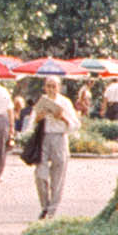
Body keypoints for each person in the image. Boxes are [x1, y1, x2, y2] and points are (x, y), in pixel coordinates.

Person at [27, 75, 81, 220]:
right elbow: (31, 123)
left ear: (59, 87)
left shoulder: (65, 102)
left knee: (58, 174)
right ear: (45, 87)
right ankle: (44, 205)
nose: (51, 89)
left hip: (59, 137)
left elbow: (75, 124)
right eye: (48, 86)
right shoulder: (42, 101)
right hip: (43, 138)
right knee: (40, 174)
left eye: (54, 86)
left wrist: (62, 117)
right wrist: (38, 117)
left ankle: (52, 210)